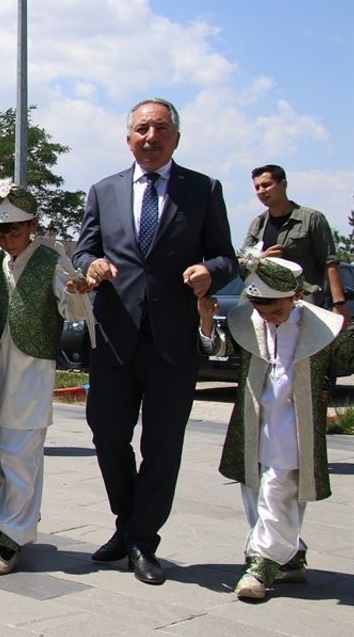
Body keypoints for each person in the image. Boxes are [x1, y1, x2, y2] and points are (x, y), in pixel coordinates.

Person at [73, 97, 236, 585]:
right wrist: (91, 266)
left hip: (173, 341)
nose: (150, 136)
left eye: (160, 128)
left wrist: (210, 271)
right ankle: (129, 524)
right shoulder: (104, 190)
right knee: (106, 434)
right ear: (128, 138)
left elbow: (226, 257)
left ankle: (143, 540)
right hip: (114, 336)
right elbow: (84, 248)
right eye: (141, 128)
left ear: (176, 138)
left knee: (162, 446)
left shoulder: (203, 189)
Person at [196, 256, 353, 600]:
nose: (268, 316)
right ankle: (291, 556)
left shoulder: (321, 327)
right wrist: (208, 326)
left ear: (294, 296)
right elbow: (223, 348)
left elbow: (347, 358)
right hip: (253, 423)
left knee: (277, 490)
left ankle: (260, 564)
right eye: (261, 309)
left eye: (276, 310)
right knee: (256, 490)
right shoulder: (248, 321)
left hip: (295, 427)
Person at [0, 180, 91, 575]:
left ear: (33, 224)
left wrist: (75, 292)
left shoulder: (51, 260)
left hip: (31, 370)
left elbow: (72, 311)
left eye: (14, 229)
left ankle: (11, 536)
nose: (6, 237)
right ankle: (16, 515)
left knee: (19, 456)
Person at [242, 165, 347, 317]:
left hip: (301, 304)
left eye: (266, 185)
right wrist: (261, 259)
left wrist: (339, 304)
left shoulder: (311, 218)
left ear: (283, 184)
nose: (261, 191)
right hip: (261, 307)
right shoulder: (257, 223)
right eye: (257, 187)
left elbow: (329, 262)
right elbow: (241, 263)